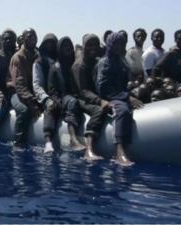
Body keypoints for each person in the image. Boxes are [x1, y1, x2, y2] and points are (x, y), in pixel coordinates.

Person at [96, 32, 144, 166]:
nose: (121, 46)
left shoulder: (122, 60)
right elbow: (103, 89)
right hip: (109, 98)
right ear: (111, 44)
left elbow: (125, 82)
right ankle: (119, 151)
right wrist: (127, 97)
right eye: (118, 43)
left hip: (122, 94)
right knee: (122, 111)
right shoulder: (105, 62)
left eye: (123, 43)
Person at [35, 35, 85, 152]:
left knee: (73, 101)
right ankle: (56, 141)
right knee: (52, 109)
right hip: (60, 99)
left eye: (69, 46)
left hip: (74, 98)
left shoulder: (75, 65)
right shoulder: (55, 68)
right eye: (64, 46)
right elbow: (51, 90)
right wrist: (59, 103)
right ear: (59, 49)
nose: (67, 48)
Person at [72, 34, 107, 160]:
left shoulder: (99, 62)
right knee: (99, 110)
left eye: (95, 44)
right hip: (81, 99)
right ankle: (89, 149)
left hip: (97, 96)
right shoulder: (79, 65)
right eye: (89, 45)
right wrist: (100, 101)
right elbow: (83, 91)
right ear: (84, 46)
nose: (93, 47)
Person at [9, 29, 39, 148]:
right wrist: (31, 102)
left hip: (30, 92)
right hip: (15, 92)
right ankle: (18, 142)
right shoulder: (18, 57)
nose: (32, 38)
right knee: (24, 111)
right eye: (29, 36)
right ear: (23, 38)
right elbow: (19, 85)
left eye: (34, 36)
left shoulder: (36, 55)